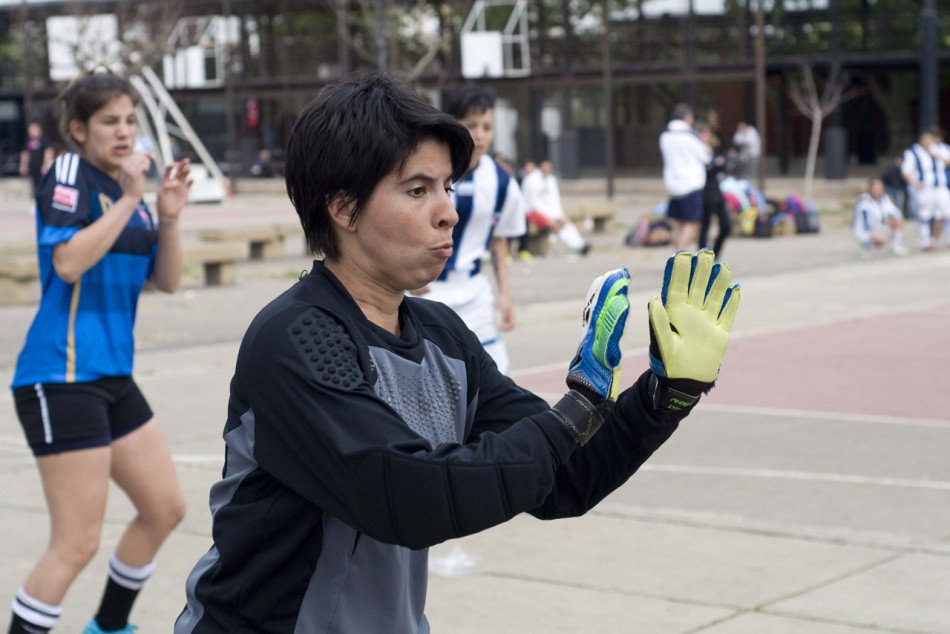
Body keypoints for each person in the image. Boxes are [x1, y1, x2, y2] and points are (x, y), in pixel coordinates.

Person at [174, 73, 741, 634]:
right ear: (343, 208)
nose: (448, 211)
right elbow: (401, 494)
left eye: (448, 187)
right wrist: (579, 406)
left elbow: (565, 478)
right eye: (418, 190)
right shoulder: (294, 338)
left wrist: (665, 395)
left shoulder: (443, 335)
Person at [7, 71, 191, 634]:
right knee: (76, 542)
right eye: (110, 121)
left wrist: (166, 214)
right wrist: (132, 196)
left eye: (131, 120)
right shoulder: (69, 173)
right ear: (78, 130)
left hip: (112, 376)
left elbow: (168, 280)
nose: (124, 132)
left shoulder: (128, 195)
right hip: (59, 376)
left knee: (164, 508)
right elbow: (66, 261)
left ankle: (109, 626)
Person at [408, 86, 525, 375]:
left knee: (496, 378)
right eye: (471, 125)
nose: (481, 134)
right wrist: (409, 275)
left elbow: (498, 240)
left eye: (487, 126)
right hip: (427, 293)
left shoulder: (501, 181)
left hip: (474, 293)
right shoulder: (426, 170)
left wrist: (505, 295)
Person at [659, 103, 710, 252]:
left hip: (673, 185)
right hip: (690, 184)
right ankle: (679, 256)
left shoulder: (665, 136)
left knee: (680, 223)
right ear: (687, 118)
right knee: (693, 223)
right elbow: (705, 157)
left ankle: (675, 255)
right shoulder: (690, 137)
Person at [520, 158, 591, 256]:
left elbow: (555, 200)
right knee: (555, 225)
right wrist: (552, 216)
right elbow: (534, 203)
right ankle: (576, 246)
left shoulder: (551, 180)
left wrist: (559, 216)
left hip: (550, 212)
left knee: (566, 223)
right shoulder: (531, 180)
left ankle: (580, 244)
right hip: (532, 212)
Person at [901, 127, 950, 251]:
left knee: (946, 214)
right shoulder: (912, 152)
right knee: (924, 215)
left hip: (940, 187)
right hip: (924, 189)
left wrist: (936, 155)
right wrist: (914, 182)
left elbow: (948, 161)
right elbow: (906, 171)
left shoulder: (940, 149)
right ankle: (925, 242)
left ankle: (945, 240)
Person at [695, 121, 732, 258]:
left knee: (726, 225)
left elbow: (724, 157)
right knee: (705, 227)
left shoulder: (712, 149)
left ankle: (715, 254)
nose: (705, 136)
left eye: (707, 133)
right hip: (704, 193)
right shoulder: (697, 151)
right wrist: (714, 164)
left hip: (716, 192)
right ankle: (702, 259)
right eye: (702, 134)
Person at [852, 177, 907, 257]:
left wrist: (894, 220)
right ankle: (865, 245)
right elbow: (867, 224)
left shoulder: (884, 199)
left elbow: (896, 213)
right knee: (881, 239)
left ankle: (895, 247)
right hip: (864, 230)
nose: (878, 189)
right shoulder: (864, 202)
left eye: (879, 187)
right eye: (875, 187)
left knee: (898, 222)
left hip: (879, 226)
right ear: (870, 188)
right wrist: (883, 222)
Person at [19, 121, 56, 196]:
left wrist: (45, 165)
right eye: (31, 129)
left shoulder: (44, 140)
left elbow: (48, 152)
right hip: (33, 167)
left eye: (34, 129)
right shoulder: (28, 141)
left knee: (43, 184)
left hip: (41, 167)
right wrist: (23, 165)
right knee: (35, 185)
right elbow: (25, 154)